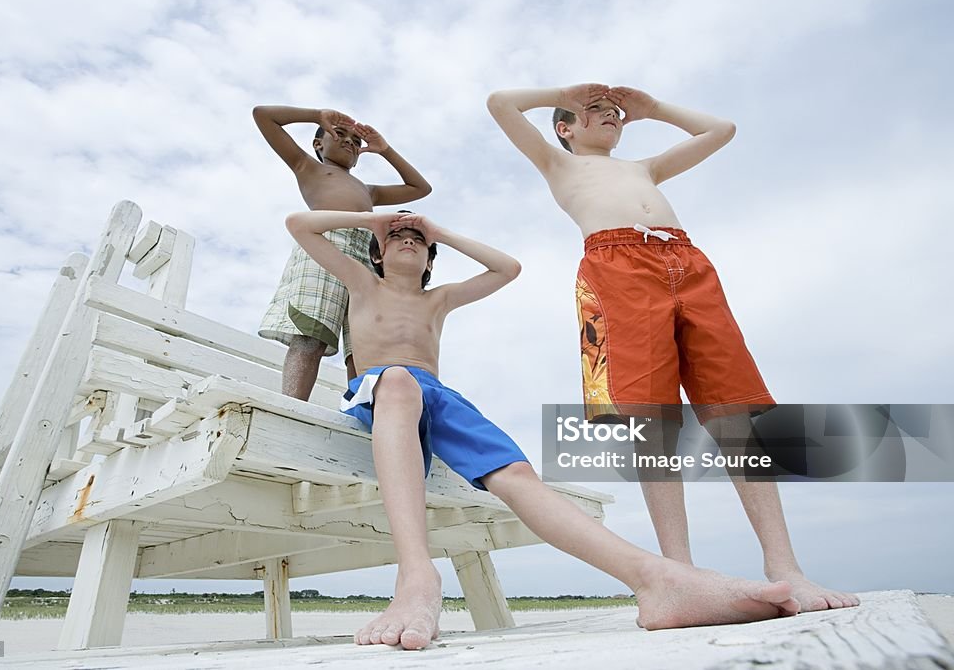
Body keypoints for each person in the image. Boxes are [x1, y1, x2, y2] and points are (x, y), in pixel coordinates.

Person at [286, 208, 801, 651]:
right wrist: (373, 219)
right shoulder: (361, 282)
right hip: (380, 392)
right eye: (396, 237)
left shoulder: (437, 299)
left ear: (430, 257)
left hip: (439, 398)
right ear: (376, 254)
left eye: (417, 240)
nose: (407, 239)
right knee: (398, 381)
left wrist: (438, 230)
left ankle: (658, 580)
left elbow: (507, 267)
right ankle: (415, 577)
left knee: (518, 474)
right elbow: (300, 225)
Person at [486, 83, 859, 612]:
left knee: (732, 413)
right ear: (565, 128)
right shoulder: (558, 163)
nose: (609, 115)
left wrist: (653, 110)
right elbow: (501, 103)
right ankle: (680, 574)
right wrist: (567, 93)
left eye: (613, 111)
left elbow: (720, 131)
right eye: (593, 111)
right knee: (653, 420)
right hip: (616, 269)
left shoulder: (643, 167)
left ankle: (785, 567)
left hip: (688, 263)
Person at [252, 104, 431, 399]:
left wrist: (385, 149)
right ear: (318, 144)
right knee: (311, 333)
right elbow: (263, 115)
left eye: (357, 141)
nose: (351, 141)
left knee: (363, 345)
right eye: (340, 133)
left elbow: (420, 187)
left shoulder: (369, 190)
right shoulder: (308, 166)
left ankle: (365, 414)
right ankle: (292, 406)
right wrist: (316, 116)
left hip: (367, 255)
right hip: (324, 243)